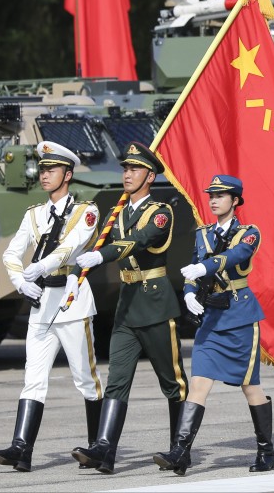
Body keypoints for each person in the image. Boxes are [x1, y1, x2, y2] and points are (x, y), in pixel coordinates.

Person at [71, 141, 188, 474]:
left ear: (150, 176)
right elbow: (100, 244)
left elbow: (137, 241)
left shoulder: (161, 213)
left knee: (173, 382)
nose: (127, 174)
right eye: (125, 168)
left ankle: (180, 448)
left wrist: (101, 255)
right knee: (116, 380)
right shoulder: (116, 213)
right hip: (127, 306)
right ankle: (104, 449)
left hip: (154, 303)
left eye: (134, 169)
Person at [152, 175, 272, 475]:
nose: (214, 200)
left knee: (250, 387)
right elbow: (193, 271)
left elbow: (236, 255)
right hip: (212, 318)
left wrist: (205, 266)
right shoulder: (202, 234)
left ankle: (265, 450)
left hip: (240, 319)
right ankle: (181, 451)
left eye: (221, 195)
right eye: (212, 195)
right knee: (199, 384)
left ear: (235, 200)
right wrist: (190, 293)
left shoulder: (248, 232)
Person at [0, 141, 102, 472]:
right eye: (42, 169)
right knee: (33, 378)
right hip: (42, 303)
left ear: (67, 174)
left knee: (85, 378)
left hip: (72, 303)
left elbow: (71, 247)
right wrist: (19, 282)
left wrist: (40, 267)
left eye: (51, 170)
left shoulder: (85, 211)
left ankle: (98, 448)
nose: (44, 175)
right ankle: (21, 449)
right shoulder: (35, 215)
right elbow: (10, 253)